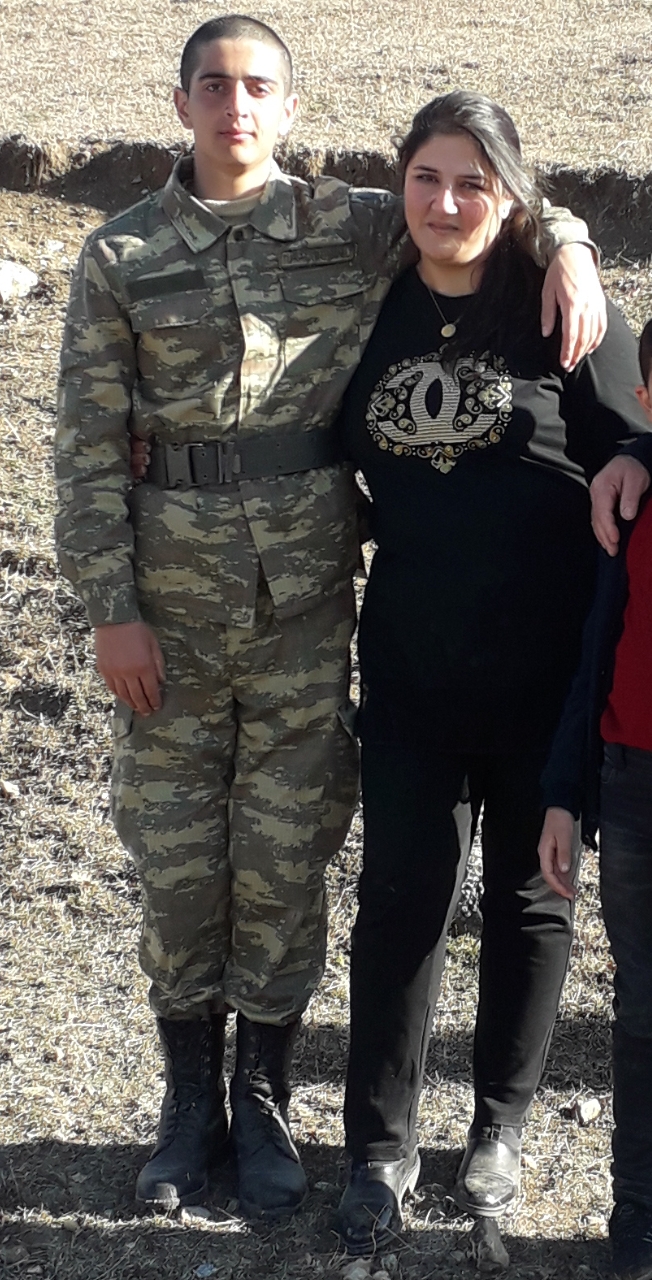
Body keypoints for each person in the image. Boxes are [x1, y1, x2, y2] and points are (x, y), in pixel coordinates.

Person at [55, 14, 605, 1221]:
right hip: (170, 610)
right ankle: (187, 1104)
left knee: (285, 859)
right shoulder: (121, 251)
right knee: (178, 861)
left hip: (304, 607)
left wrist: (570, 241)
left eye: (259, 87)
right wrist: (111, 610)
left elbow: (482, 195)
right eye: (214, 86)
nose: (236, 107)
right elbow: (86, 448)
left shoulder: (348, 223)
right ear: (182, 103)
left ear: (290, 109)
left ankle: (262, 1101)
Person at [333, 89, 651, 1256]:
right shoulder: (369, 298)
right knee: (400, 897)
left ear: (513, 194)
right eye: (428, 176)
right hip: (410, 661)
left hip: (545, 672)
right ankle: (378, 1146)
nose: (447, 200)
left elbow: (638, 440)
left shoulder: (568, 308)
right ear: (401, 183)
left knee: (531, 897)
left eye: (475, 181)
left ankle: (498, 1129)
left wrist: (637, 452)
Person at [539, 323, 652, 1280]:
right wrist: (565, 797)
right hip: (634, 782)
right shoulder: (631, 506)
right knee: (643, 1010)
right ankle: (637, 1223)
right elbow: (595, 655)